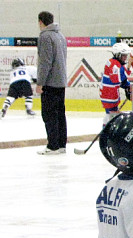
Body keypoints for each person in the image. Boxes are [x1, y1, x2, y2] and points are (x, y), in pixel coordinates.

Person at [36, 11, 67, 155]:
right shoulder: (60, 35)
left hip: (50, 82)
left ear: (41, 22)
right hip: (61, 81)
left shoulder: (45, 36)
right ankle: (61, 144)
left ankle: (53, 145)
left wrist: (40, 83)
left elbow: (45, 62)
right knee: (60, 113)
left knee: (49, 114)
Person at [99, 42, 132, 127]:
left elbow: (122, 79)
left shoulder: (115, 63)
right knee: (111, 115)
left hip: (109, 93)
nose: (125, 58)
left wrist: (128, 86)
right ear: (118, 54)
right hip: (109, 95)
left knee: (112, 114)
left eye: (126, 55)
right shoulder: (114, 65)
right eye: (124, 55)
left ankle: (107, 130)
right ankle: (106, 132)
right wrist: (127, 85)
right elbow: (116, 80)